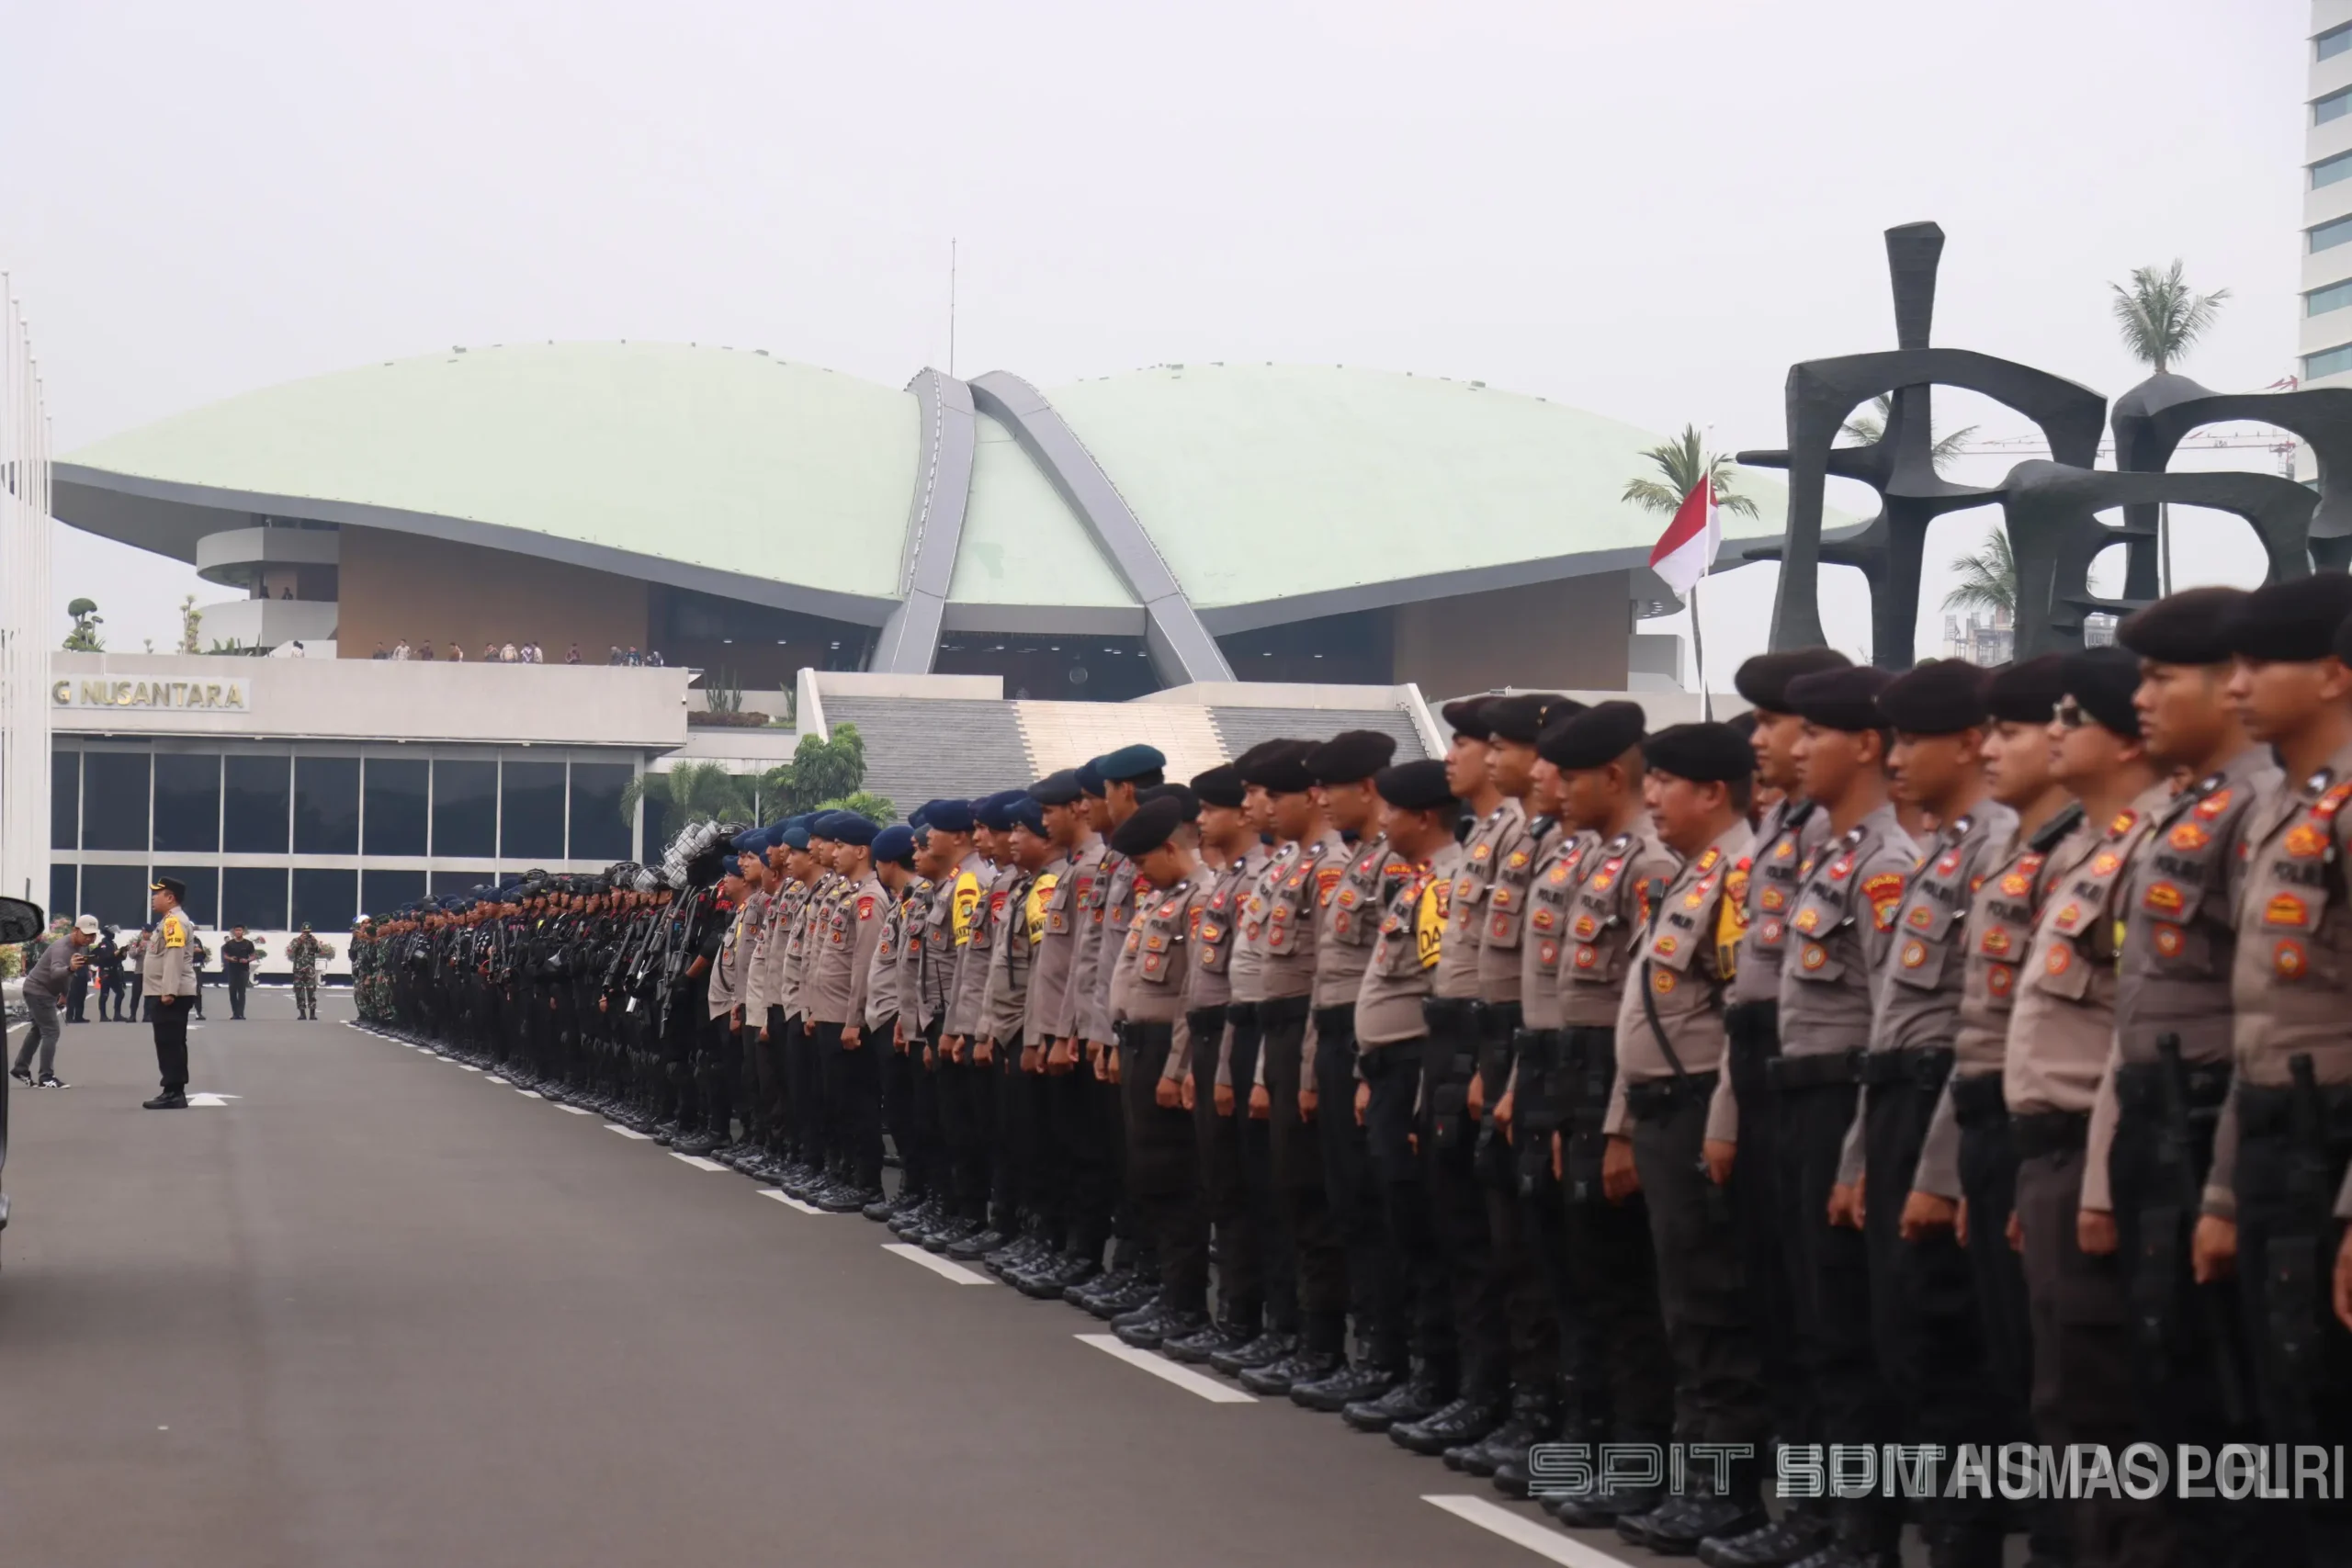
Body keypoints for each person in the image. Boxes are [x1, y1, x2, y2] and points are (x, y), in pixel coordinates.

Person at [12, 914, 98, 1088]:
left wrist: (64, 994)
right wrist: (70, 968)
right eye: (86, 934)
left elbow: (68, 976)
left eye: (93, 935)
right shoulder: (62, 947)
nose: (89, 938)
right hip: (38, 989)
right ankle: (46, 1077)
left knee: (38, 1030)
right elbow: (56, 972)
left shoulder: (80, 947)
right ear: (75, 930)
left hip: (46, 990)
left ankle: (20, 1068)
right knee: (51, 1031)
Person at [141, 877, 201, 1108]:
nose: (153, 898)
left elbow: (174, 957)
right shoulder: (169, 920)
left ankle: (174, 1092)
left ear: (170, 898)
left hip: (169, 994)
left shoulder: (174, 922)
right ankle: (173, 1090)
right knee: (170, 1041)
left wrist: (169, 991)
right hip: (167, 991)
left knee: (169, 1042)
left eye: (157, 894)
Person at [288, 924, 328, 1019]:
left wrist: (314, 943)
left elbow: (319, 950)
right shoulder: (296, 940)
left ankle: (312, 1014)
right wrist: (300, 941)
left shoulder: (313, 940)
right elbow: (292, 951)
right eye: (305, 932)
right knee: (299, 991)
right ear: (301, 930)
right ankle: (302, 1013)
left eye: (308, 932)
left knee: (311, 991)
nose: (306, 934)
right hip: (299, 969)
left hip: (310, 970)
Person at [220, 925, 259, 1020]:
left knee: (242, 991)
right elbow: (225, 955)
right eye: (236, 930)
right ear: (234, 932)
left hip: (244, 969)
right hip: (232, 970)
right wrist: (230, 958)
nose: (238, 932)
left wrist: (247, 960)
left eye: (240, 930)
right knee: (232, 991)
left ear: (243, 932)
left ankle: (241, 1013)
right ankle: (235, 1013)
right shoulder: (229, 944)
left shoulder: (248, 944)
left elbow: (253, 955)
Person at [95, 924, 125, 1021]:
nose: (113, 935)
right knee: (104, 994)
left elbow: (116, 959)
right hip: (106, 972)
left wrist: (122, 954)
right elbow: (106, 957)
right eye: (112, 933)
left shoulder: (113, 944)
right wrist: (115, 953)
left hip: (114, 971)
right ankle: (103, 1016)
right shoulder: (103, 944)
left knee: (120, 993)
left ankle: (117, 1015)